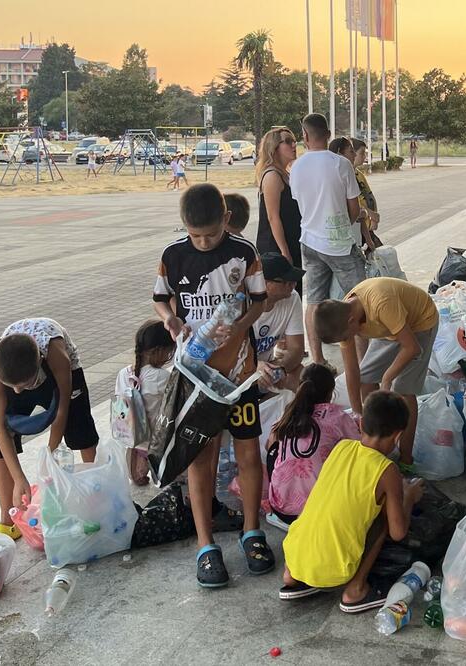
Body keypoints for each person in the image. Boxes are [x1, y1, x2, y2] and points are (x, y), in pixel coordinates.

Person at [153, 183, 273, 587]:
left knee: (247, 454)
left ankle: (252, 531)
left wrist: (239, 330)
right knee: (200, 459)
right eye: (195, 235)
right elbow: (160, 298)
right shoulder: (173, 255)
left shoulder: (244, 253)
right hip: (197, 378)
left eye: (210, 234)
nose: (202, 242)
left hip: (239, 376)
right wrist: (170, 318)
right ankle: (206, 545)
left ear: (226, 220)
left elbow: (259, 300)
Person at [279, 391, 424, 613]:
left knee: (321, 506)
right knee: (383, 519)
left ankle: (292, 577)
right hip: (335, 572)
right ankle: (355, 590)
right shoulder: (387, 471)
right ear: (398, 436)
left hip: (294, 559)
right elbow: (398, 532)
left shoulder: (342, 447)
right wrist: (409, 497)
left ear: (361, 423)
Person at [0, 318, 100, 539]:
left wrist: (50, 453)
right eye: (13, 387)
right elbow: (1, 425)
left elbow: (61, 410)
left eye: (24, 386)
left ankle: (96, 495)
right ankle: (8, 519)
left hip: (60, 376)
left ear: (39, 362)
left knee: (80, 429)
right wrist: (19, 478)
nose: (18, 392)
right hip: (20, 370)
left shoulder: (57, 356)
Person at [313, 277, 438, 470]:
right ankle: (377, 437)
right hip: (389, 329)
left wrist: (387, 378)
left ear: (351, 321)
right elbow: (353, 371)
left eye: (348, 336)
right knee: (366, 378)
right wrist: (358, 416)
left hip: (420, 323)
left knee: (402, 389)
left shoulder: (380, 303)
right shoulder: (344, 316)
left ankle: (406, 459)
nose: (349, 339)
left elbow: (411, 347)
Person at [289, 113, 366, 365]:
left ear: (305, 136)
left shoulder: (296, 167)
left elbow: (301, 203)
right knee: (358, 301)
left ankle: (318, 359)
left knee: (314, 301)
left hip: (309, 242)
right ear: (329, 134)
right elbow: (354, 210)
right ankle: (363, 361)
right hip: (340, 244)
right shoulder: (341, 164)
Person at [265, 363, 361, 529]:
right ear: (331, 393)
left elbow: (269, 447)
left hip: (281, 510)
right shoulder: (338, 417)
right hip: (316, 513)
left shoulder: (289, 413)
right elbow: (361, 451)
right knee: (353, 461)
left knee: (278, 452)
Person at [115, 319, 175, 485]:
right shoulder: (161, 377)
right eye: (168, 352)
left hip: (129, 434)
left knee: (136, 454)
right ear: (158, 351)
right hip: (154, 439)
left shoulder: (123, 373)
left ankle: (137, 473)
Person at [255, 127, 303, 296]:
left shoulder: (286, 174)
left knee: (293, 294)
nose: (294, 145)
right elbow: (272, 217)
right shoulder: (272, 175)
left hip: (291, 242)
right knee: (280, 295)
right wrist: (284, 252)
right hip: (275, 247)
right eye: (288, 141)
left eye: (294, 141)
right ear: (274, 147)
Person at [253, 252, 306, 393]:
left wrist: (279, 368)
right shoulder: (242, 304)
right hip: (240, 372)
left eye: (294, 280)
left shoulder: (292, 298)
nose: (293, 285)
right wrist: (254, 367)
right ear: (264, 283)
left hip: (269, 367)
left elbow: (297, 349)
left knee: (301, 374)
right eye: (286, 281)